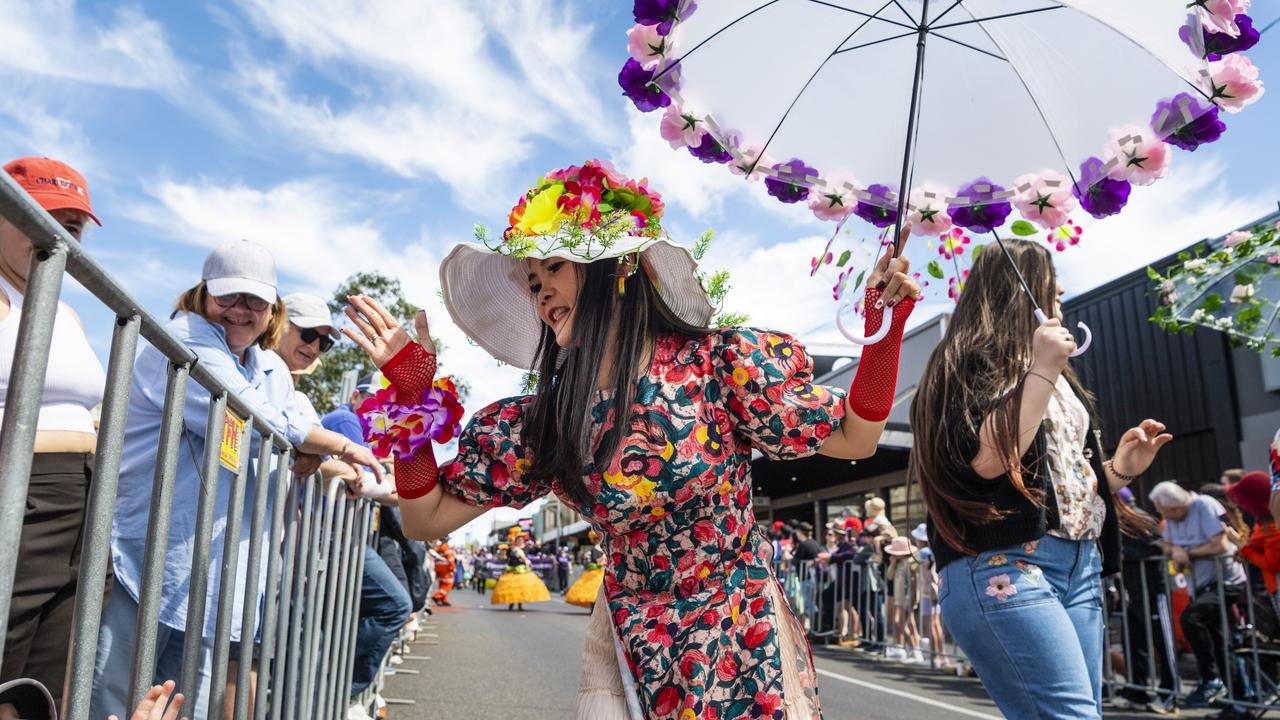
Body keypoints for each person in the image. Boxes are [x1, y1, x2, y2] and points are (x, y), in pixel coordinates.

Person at [340, 158, 920, 718]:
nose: (540, 295)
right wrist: (412, 403)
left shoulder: (719, 367)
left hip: (740, 631)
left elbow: (855, 437)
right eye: (533, 283)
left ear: (615, 268)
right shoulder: (544, 420)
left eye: (554, 270)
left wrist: (883, 331)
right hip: (626, 637)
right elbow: (425, 520)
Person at [90, 241, 383, 720]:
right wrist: (340, 445)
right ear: (204, 294)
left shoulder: (259, 362)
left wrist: (304, 444)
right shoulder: (187, 340)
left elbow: (283, 421)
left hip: (204, 563)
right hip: (144, 549)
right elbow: (253, 418)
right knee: (113, 693)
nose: (240, 311)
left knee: (180, 703)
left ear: (272, 311)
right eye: (229, 297)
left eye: (255, 301)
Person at [912, 238, 1172, 719]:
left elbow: (1058, 485)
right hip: (1002, 563)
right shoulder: (965, 364)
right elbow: (989, 465)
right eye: (1050, 282)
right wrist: (1042, 370)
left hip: (1082, 564)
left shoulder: (1052, 373)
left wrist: (1118, 469)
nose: (1062, 290)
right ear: (1020, 291)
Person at [0, 157, 106, 709]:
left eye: (71, 227)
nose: (55, 237)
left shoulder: (66, 314)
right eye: (39, 216)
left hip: (80, 500)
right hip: (22, 494)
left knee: (45, 686)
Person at [1150, 480, 1248, 710]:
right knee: (1218, 641)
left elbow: (1220, 546)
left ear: (1175, 507)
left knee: (1191, 619)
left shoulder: (1204, 506)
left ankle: (1212, 679)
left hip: (1225, 582)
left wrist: (1189, 554)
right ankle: (1237, 704)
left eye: (1163, 512)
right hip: (1200, 585)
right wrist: (1174, 550)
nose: (1163, 517)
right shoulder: (1175, 518)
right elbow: (1165, 544)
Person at [912, 523, 948, 670]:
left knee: (930, 624)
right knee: (936, 624)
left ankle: (934, 656)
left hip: (928, 591)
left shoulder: (924, 552)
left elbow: (913, 566)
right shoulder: (933, 551)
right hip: (937, 588)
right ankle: (942, 656)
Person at [884, 536, 923, 664]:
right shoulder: (899, 562)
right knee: (902, 623)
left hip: (907, 598)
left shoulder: (911, 563)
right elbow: (889, 576)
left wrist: (909, 600)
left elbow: (913, 584)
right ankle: (904, 648)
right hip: (899, 598)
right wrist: (893, 563)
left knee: (907, 623)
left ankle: (915, 650)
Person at [491, 532, 550, 611]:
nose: (520, 541)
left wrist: (538, 545)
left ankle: (520, 605)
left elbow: (536, 550)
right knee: (512, 589)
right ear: (516, 541)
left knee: (521, 589)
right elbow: (508, 556)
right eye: (518, 540)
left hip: (522, 570)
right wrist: (513, 551)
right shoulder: (511, 548)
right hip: (512, 570)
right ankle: (511, 604)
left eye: (521, 540)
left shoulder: (526, 548)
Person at [565, 531, 605, 610]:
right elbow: (597, 561)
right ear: (595, 539)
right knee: (593, 591)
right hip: (595, 573)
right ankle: (593, 608)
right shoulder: (594, 549)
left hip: (603, 571)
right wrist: (603, 558)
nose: (599, 540)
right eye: (597, 538)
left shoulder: (604, 548)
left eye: (600, 538)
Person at [430, 541, 457, 606]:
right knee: (448, 585)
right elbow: (450, 558)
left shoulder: (438, 547)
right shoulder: (446, 547)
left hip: (439, 568)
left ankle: (444, 600)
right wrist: (453, 568)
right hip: (446, 569)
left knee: (442, 585)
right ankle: (437, 596)